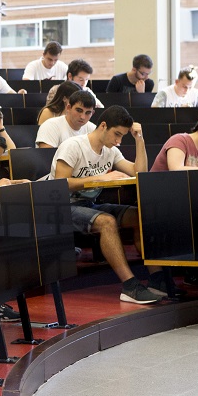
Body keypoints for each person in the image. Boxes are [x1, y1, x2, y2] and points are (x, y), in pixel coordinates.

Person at [47, 105, 160, 304]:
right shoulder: (74, 145)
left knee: (137, 216)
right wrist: (100, 178)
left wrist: (139, 139)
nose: (118, 141)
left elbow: (139, 172)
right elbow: (60, 185)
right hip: (59, 207)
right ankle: (130, 286)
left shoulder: (111, 151)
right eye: (116, 134)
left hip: (87, 204)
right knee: (106, 222)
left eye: (123, 136)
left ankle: (159, 281)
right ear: (103, 126)